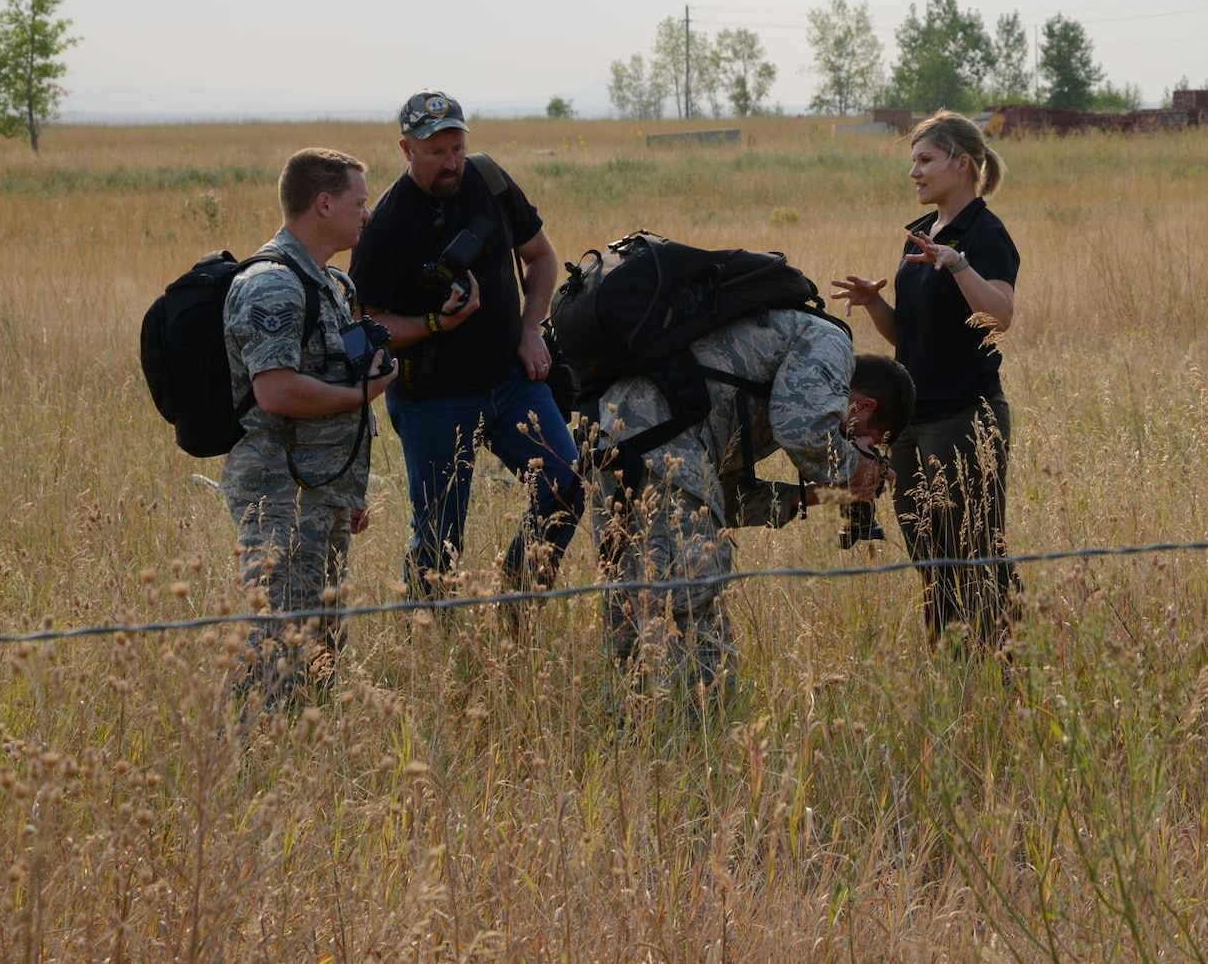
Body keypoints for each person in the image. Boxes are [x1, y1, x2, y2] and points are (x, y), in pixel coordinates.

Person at [589, 318, 913, 713]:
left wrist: (817, 494)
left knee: (628, 599)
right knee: (697, 605)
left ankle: (626, 728)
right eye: (868, 440)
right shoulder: (831, 343)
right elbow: (805, 433)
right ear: (864, 407)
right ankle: (702, 733)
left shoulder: (764, 381)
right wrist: (856, 469)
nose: (856, 445)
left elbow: (723, 495)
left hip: (616, 440)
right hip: (662, 449)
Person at [349, 91, 583, 599]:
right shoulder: (385, 223)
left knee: (566, 483)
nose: (450, 161)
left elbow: (541, 257)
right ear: (406, 149)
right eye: (436, 151)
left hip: (511, 381)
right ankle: (429, 643)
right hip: (433, 399)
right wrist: (436, 323)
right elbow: (366, 321)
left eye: (456, 147)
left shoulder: (490, 181)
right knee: (439, 539)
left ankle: (519, 598)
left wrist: (528, 328)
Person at [833, 110, 1021, 649]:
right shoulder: (920, 234)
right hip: (913, 421)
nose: (914, 172)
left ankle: (1005, 665)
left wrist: (959, 265)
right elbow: (909, 339)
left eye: (925, 160)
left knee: (975, 550)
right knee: (928, 551)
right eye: (913, 161)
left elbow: (1000, 317)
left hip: (965, 416)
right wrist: (873, 304)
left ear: (961, 164)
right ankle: (951, 663)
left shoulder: (985, 234)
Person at [222, 147, 395, 713]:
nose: (366, 214)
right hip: (280, 496)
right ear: (324, 204)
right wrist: (360, 393)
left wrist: (348, 492)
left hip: (322, 492)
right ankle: (250, 766)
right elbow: (276, 391)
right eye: (358, 202)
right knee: (277, 646)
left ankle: (301, 770)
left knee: (322, 647)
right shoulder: (273, 283)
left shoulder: (334, 284)